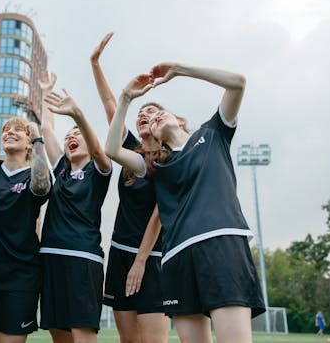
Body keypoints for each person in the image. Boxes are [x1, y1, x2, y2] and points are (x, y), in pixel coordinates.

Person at [105, 63, 265, 343]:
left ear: (179, 121)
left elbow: (237, 82)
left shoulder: (213, 133)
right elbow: (111, 150)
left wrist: (180, 70)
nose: (151, 118)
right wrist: (126, 98)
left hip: (220, 244)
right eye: (148, 118)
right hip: (176, 258)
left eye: (157, 113)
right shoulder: (155, 164)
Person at [90, 33, 169, 343]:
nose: (143, 115)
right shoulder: (131, 151)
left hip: (152, 256)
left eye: (151, 112)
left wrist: (141, 261)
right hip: (121, 252)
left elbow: (159, 215)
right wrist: (95, 63)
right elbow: (112, 106)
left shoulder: (169, 158)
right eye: (140, 113)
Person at [38, 71, 112, 343]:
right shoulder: (61, 171)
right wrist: (46, 91)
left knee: (82, 333)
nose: (72, 137)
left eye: (78, 134)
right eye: (69, 134)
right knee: (59, 333)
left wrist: (78, 116)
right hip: (50, 257)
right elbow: (46, 130)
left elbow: (98, 152)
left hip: (82, 259)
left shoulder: (99, 170)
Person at [0, 117, 52, 343]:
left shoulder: (34, 174)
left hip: (21, 274)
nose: (10, 132)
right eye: (5, 130)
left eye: (18, 130)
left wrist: (38, 138)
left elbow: (43, 187)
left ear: (28, 143)